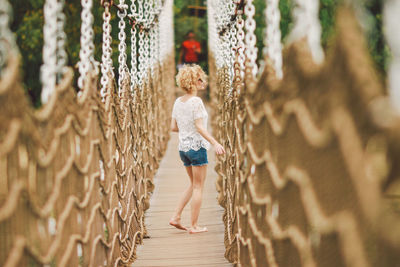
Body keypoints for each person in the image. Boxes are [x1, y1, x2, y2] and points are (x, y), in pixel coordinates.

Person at [169, 64, 225, 234]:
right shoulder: (197, 102)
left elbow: (173, 127)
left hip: (183, 149)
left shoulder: (178, 102)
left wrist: (187, 129)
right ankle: (194, 226)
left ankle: (176, 217)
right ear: (192, 82)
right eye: (199, 79)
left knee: (193, 184)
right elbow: (200, 128)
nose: (203, 81)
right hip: (197, 147)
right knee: (198, 187)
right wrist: (215, 143)